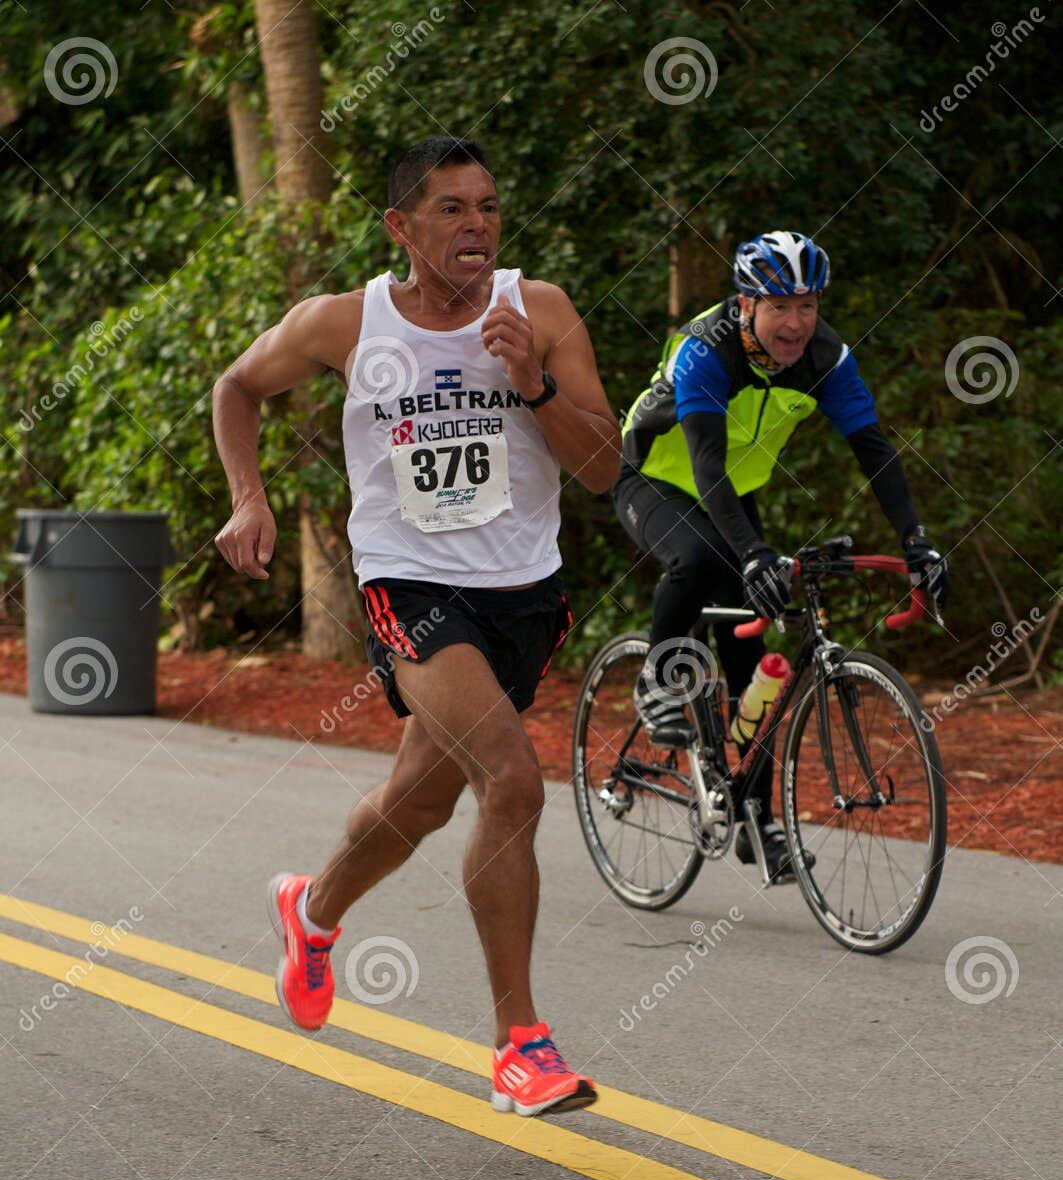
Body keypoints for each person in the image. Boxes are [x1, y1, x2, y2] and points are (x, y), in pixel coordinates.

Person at [212, 135, 620, 1115]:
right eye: (449, 208)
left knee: (420, 804)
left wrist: (533, 381)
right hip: (410, 585)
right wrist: (246, 496)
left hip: (525, 594)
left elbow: (604, 465)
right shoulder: (345, 323)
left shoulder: (543, 312)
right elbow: (237, 388)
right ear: (401, 226)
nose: (475, 224)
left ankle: (310, 912)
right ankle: (520, 1043)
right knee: (511, 781)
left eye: (486, 205)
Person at [613, 229, 947, 881]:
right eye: (779, 307)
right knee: (704, 556)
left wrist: (916, 542)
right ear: (745, 306)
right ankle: (657, 677)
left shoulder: (826, 357)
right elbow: (705, 458)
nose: (795, 323)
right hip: (653, 478)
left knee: (755, 665)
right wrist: (754, 552)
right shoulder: (702, 351)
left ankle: (756, 814)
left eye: (807, 305)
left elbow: (873, 449)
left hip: (734, 494)